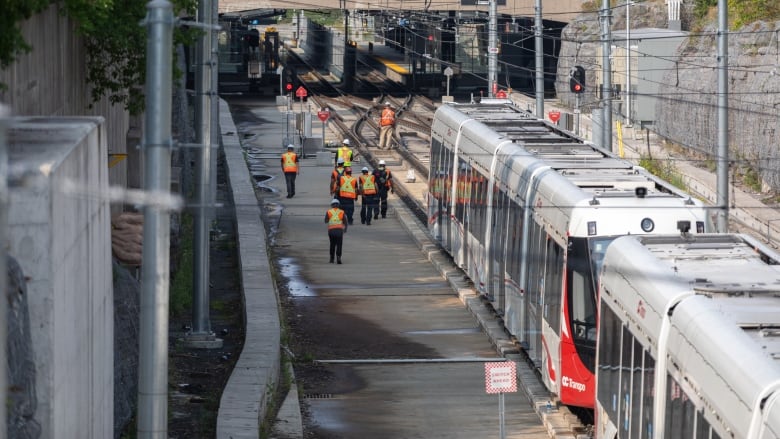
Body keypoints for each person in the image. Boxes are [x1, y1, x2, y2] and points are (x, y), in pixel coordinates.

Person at [324, 198, 347, 264]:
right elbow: (345, 222)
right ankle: (338, 257)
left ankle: (331, 258)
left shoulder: (329, 211)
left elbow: (326, 221)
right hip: (339, 231)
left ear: (332, 205)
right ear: (338, 205)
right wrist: (345, 229)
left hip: (331, 231)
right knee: (339, 244)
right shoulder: (342, 212)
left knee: (332, 244)